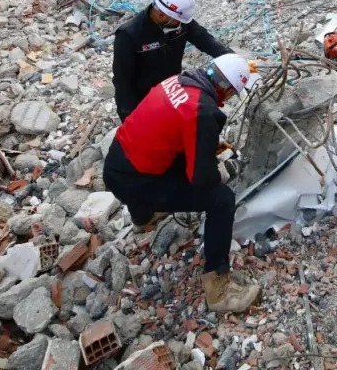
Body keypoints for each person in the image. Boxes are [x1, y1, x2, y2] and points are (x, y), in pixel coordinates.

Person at [104, 53, 262, 314]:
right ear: (227, 89)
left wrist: (204, 145)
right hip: (136, 183)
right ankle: (218, 290)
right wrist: (222, 171)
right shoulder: (204, 111)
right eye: (232, 93)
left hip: (116, 164)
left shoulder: (179, 81)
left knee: (159, 164)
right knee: (221, 200)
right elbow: (201, 178)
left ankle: (142, 218)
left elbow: (171, 128)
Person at [112, 0, 232, 122]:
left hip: (172, 94)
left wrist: (233, 59)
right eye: (177, 21)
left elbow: (205, 41)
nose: (180, 24)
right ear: (162, 15)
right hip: (144, 101)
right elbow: (122, 82)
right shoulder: (129, 35)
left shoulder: (179, 22)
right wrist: (129, 118)